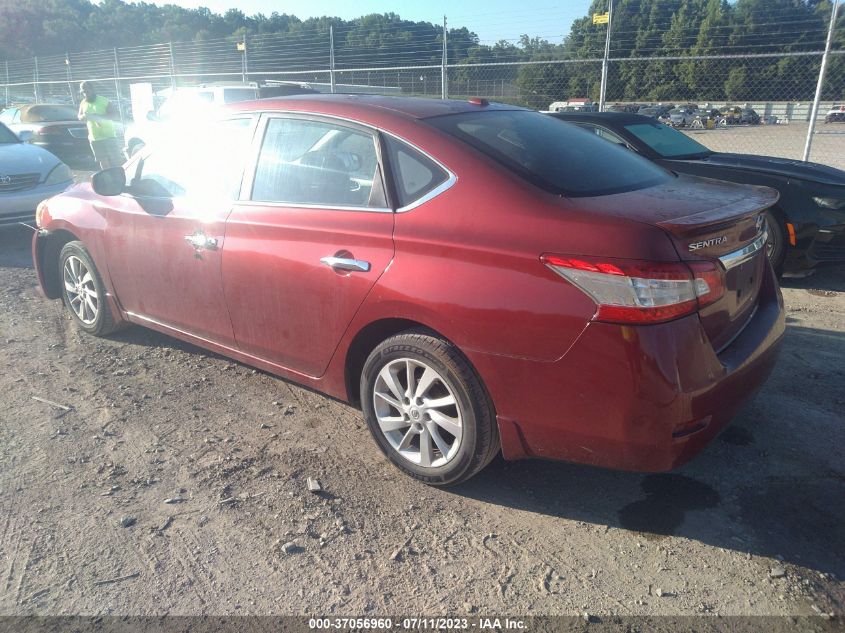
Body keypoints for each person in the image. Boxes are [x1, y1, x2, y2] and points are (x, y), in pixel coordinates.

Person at [78, 81, 125, 169]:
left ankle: (121, 177)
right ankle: (107, 180)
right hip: (94, 138)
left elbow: (115, 115)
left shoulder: (104, 100)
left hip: (109, 136)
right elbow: (79, 115)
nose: (85, 94)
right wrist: (83, 117)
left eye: (87, 91)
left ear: (92, 89)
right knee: (103, 161)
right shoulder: (83, 102)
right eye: (83, 92)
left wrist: (99, 117)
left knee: (116, 160)